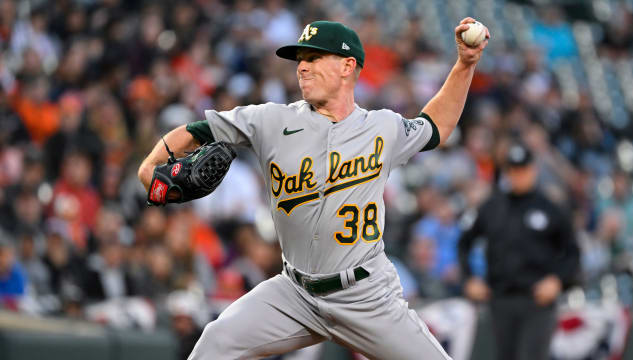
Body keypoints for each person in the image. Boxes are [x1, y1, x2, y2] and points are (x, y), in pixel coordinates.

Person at [139, 18, 489, 360]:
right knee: (215, 343)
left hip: (366, 295)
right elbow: (197, 130)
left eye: (314, 58)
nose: (302, 68)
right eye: (300, 61)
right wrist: (149, 167)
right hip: (294, 293)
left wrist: (465, 64)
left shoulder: (383, 128)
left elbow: (436, 125)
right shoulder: (271, 120)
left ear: (347, 66)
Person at [457, 141, 580, 360]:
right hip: (499, 299)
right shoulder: (492, 207)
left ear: (533, 170)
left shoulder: (549, 208)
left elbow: (572, 252)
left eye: (523, 169)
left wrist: (558, 280)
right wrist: (469, 279)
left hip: (537, 301)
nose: (518, 175)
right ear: (507, 172)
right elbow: (464, 242)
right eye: (513, 170)